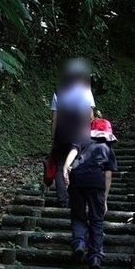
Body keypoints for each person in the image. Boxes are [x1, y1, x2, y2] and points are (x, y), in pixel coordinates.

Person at [62, 118, 118, 269]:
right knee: (96, 220)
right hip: (96, 182)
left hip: (77, 179)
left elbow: (73, 152)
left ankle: (79, 243)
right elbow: (108, 175)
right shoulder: (107, 148)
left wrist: (66, 168)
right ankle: (94, 257)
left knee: (78, 216)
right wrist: (105, 197)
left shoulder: (81, 139)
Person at [50, 58, 95, 207]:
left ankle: (63, 200)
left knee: (60, 165)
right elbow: (90, 116)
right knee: (80, 164)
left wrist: (53, 136)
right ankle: (77, 199)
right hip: (81, 133)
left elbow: (54, 118)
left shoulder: (58, 91)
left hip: (62, 134)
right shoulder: (86, 91)